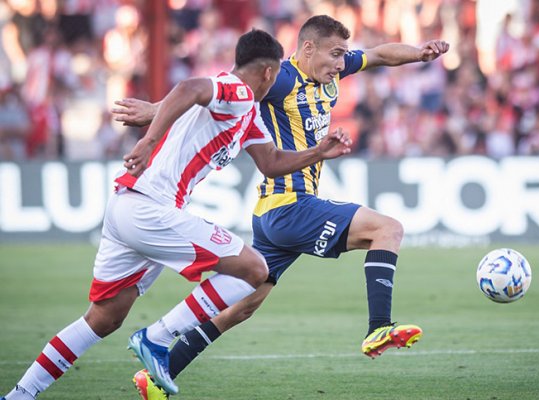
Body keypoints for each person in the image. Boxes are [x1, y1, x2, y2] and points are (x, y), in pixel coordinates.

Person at [1, 28, 353, 400]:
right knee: (254, 269)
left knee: (103, 318)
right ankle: (156, 338)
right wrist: (148, 138)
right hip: (150, 208)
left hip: (128, 207)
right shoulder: (237, 90)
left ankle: (20, 395)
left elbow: (271, 162)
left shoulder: (246, 112)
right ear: (268, 73)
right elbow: (188, 87)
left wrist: (318, 152)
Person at [117, 15, 449, 400]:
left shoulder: (333, 72)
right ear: (308, 48)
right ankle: (379, 326)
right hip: (292, 205)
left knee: (242, 308)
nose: (342, 63)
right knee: (387, 229)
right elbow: (220, 88)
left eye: (344, 55)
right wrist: (155, 110)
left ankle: (157, 376)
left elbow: (378, 55)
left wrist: (419, 54)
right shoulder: (283, 78)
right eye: (335, 54)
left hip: (272, 214)